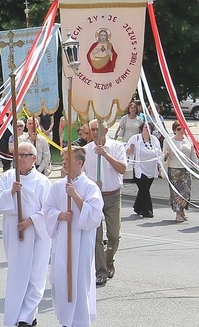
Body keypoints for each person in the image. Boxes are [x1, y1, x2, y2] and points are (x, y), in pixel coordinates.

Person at [42, 147, 104, 327]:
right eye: (64, 159)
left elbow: (94, 216)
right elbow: (47, 210)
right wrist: (60, 215)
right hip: (62, 242)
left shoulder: (90, 187)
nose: (64, 162)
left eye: (68, 159)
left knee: (79, 281)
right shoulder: (57, 186)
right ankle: (65, 320)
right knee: (60, 280)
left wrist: (75, 196)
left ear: (80, 163)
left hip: (82, 243)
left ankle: (79, 321)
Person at [0, 141, 51, 327]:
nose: (20, 158)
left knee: (35, 276)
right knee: (18, 276)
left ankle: (27, 316)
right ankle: (15, 317)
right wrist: (11, 192)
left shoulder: (43, 182)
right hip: (14, 234)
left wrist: (31, 221)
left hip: (37, 235)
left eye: (24, 155)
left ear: (34, 159)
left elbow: (49, 209)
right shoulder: (9, 177)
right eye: (17, 155)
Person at [82, 120, 126, 286]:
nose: (94, 133)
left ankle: (109, 260)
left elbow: (122, 169)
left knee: (114, 235)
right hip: (94, 197)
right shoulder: (86, 151)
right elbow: (82, 175)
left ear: (106, 130)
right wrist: (93, 183)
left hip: (113, 196)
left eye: (97, 130)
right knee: (96, 236)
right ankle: (100, 271)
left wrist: (105, 155)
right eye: (92, 130)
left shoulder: (116, 147)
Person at [126, 120, 162, 218]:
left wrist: (159, 166)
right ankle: (148, 210)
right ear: (142, 129)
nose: (148, 130)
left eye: (150, 128)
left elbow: (159, 153)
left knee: (144, 189)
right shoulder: (135, 138)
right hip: (139, 169)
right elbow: (126, 152)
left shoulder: (154, 140)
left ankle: (138, 207)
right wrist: (130, 150)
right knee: (144, 189)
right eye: (146, 127)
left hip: (151, 168)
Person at [163, 122, 194, 222]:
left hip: (186, 170)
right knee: (176, 192)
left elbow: (193, 156)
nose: (182, 131)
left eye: (183, 128)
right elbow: (163, 156)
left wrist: (198, 166)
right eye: (179, 129)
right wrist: (166, 155)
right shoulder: (168, 141)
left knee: (186, 192)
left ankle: (182, 210)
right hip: (174, 169)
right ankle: (178, 213)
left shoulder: (188, 141)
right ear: (174, 130)